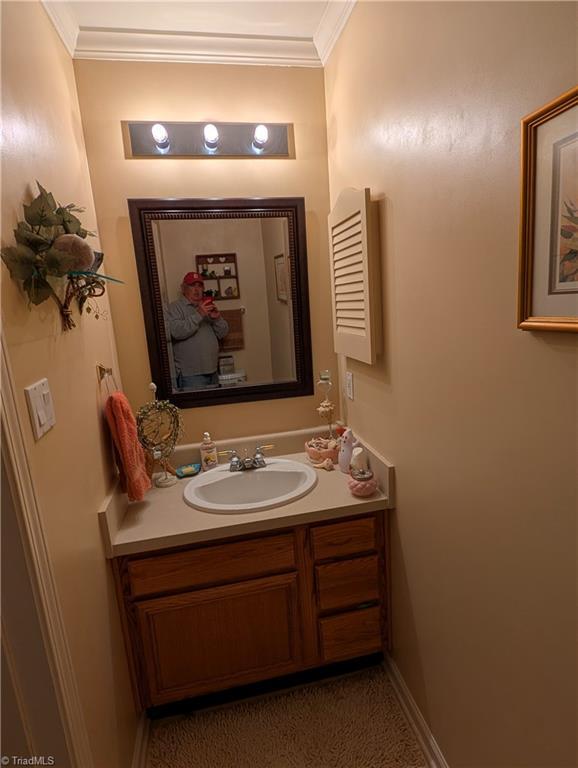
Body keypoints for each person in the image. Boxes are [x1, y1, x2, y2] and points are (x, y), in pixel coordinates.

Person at [166, 272, 229, 389]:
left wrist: (217, 319)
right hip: (190, 375)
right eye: (192, 285)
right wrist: (199, 314)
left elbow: (223, 333)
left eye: (199, 286)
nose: (196, 289)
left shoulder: (207, 306)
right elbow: (175, 332)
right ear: (183, 288)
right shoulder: (174, 307)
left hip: (213, 371)